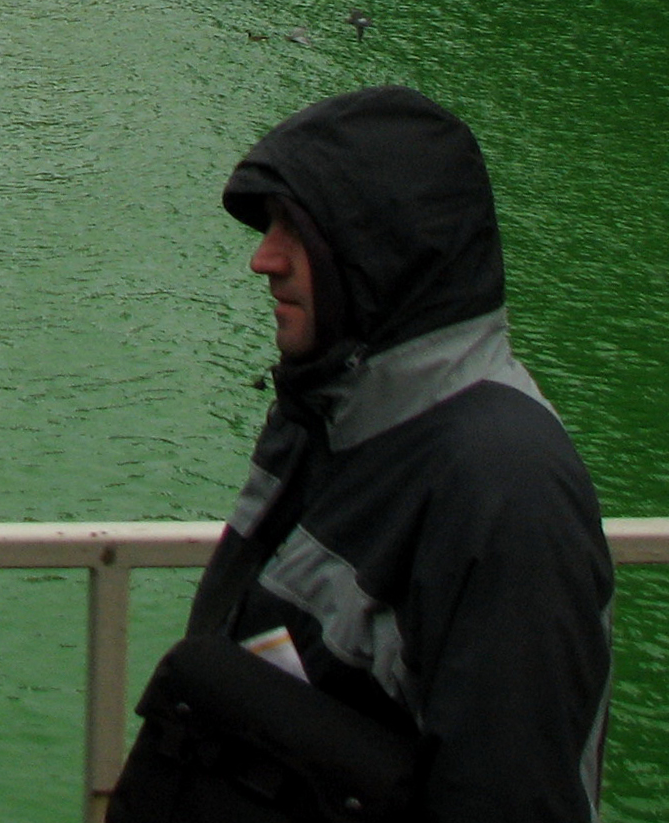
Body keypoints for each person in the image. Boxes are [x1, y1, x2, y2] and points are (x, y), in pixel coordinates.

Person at [111, 87, 613, 823]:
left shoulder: (508, 493)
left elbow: (512, 793)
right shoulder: (325, 415)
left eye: (295, 229)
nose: (263, 258)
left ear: (380, 249)